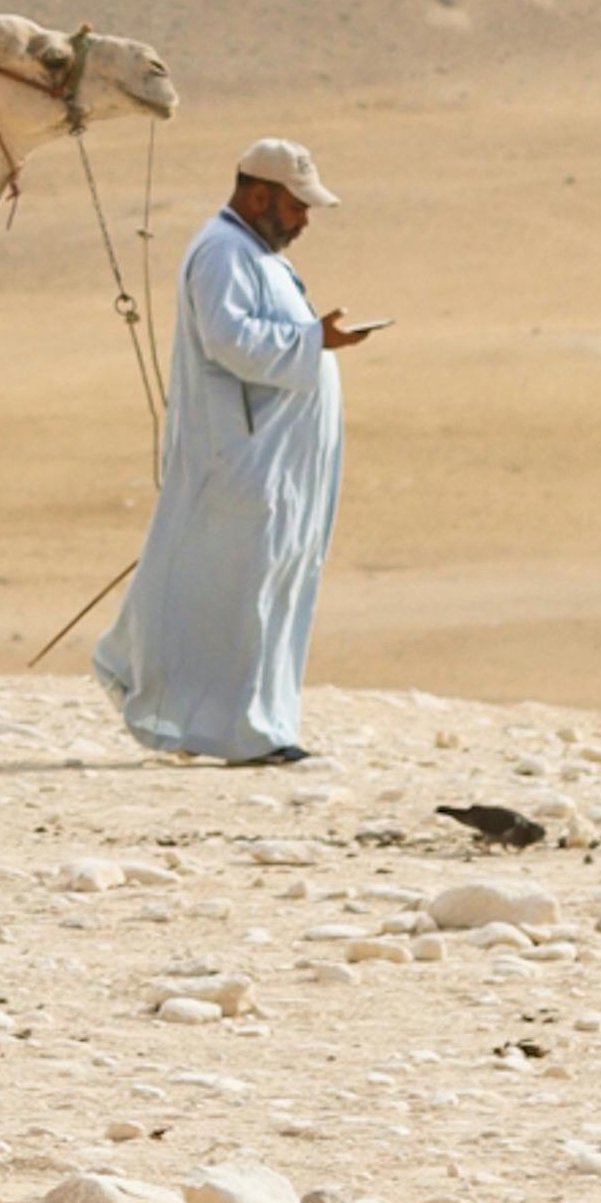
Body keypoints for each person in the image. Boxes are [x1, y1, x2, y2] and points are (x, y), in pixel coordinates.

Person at [95, 142, 378, 769]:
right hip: (241, 460)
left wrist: (316, 340)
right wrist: (315, 339)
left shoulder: (256, 255)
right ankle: (246, 733)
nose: (304, 220)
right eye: (297, 206)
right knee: (242, 595)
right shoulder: (223, 252)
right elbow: (229, 341)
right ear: (258, 196)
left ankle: (252, 725)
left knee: (262, 590)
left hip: (269, 464)